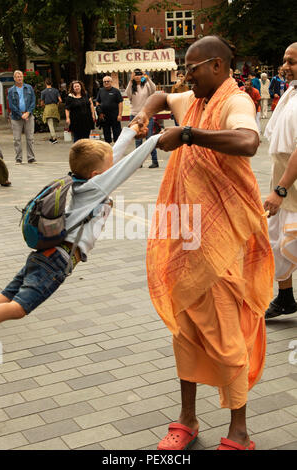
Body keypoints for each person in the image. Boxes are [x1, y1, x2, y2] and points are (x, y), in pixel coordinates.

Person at [131, 35, 274, 451]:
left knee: (228, 337)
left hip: (224, 248)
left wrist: (190, 135)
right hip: (187, 243)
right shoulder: (193, 98)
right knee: (186, 331)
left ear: (216, 66)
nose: (184, 76)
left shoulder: (236, 102)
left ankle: (239, 432)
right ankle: (187, 419)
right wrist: (144, 114)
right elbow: (159, 95)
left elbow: (248, 142)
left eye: (190, 69)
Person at [0, 121, 161, 324]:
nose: (113, 169)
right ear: (97, 175)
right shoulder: (95, 188)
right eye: (109, 169)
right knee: (18, 308)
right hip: (55, 262)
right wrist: (156, 140)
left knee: (6, 297)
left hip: (45, 255)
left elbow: (112, 156)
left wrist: (131, 131)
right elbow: (127, 165)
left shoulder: (83, 182)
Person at [263, 42, 297, 319]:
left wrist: (280, 189)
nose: (285, 67)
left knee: (292, 239)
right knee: (277, 240)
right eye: (284, 61)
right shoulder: (290, 93)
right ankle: (286, 297)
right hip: (284, 179)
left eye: (292, 62)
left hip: (289, 182)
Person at [126, 69, 159, 168]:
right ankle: (138, 162)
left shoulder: (146, 85)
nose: (138, 77)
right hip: (135, 115)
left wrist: (148, 79)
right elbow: (128, 94)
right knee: (138, 140)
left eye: (140, 75)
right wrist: (130, 81)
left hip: (147, 115)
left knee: (149, 139)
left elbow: (154, 90)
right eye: (136, 75)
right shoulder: (132, 86)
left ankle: (155, 161)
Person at [7, 70, 36, 164]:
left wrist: (28, 112)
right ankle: (18, 158)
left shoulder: (29, 88)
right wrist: (21, 114)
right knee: (17, 139)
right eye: (17, 77)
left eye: (20, 76)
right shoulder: (11, 90)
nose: (19, 78)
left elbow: (33, 101)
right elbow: (11, 105)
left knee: (30, 138)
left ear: (23, 77)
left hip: (29, 116)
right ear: (14, 78)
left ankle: (31, 158)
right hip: (16, 117)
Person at [95, 76, 123, 144]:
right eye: (105, 81)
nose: (106, 83)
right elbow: (97, 101)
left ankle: (117, 149)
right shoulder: (100, 90)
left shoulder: (116, 91)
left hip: (115, 116)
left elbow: (120, 103)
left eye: (108, 81)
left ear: (111, 82)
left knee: (117, 133)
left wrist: (119, 115)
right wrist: (99, 111)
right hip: (104, 116)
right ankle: (108, 148)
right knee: (106, 133)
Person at [41, 78, 61, 144]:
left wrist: (43, 106)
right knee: (54, 122)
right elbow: (60, 100)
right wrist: (57, 104)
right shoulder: (56, 90)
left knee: (50, 123)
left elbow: (42, 102)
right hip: (55, 106)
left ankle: (54, 137)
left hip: (48, 107)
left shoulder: (43, 92)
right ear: (51, 83)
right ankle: (52, 137)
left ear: (45, 83)